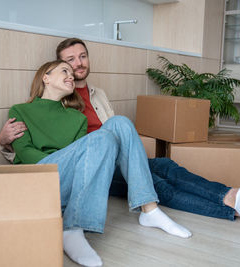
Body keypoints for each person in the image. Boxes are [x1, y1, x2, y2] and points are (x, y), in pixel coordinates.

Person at [0, 38, 240, 224]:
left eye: (82, 56)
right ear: (57, 69)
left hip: (117, 156)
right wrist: (4, 143)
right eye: (69, 61)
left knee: (166, 166)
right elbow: (36, 149)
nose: (77, 64)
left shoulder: (98, 95)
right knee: (157, 182)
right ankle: (235, 203)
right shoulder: (59, 103)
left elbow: (119, 131)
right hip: (92, 166)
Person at [10, 59, 193, 267]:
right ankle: (71, 229)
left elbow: (87, 163)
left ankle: (149, 210)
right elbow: (24, 153)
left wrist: (73, 160)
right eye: (64, 71)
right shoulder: (19, 111)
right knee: (101, 137)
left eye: (71, 73)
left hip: (66, 184)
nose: (71, 75)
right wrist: (66, 159)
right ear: (46, 77)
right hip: (38, 180)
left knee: (120, 123)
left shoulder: (76, 118)